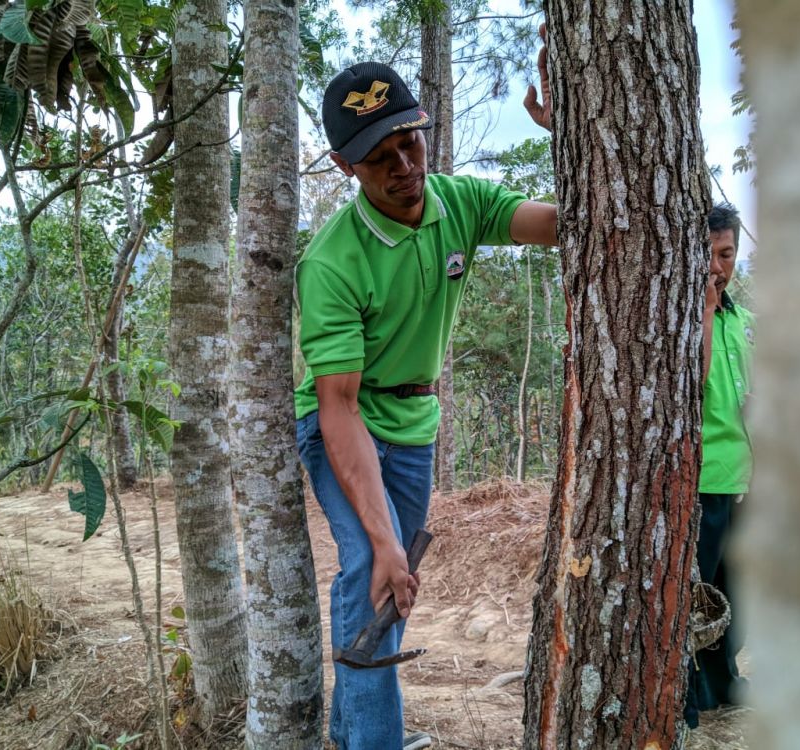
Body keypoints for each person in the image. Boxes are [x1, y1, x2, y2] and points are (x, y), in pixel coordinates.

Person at [294, 37, 556, 750]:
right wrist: (381, 539)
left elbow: (562, 224)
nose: (407, 168)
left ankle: (352, 738)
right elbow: (337, 405)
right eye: (382, 159)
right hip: (343, 423)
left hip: (413, 423)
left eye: (411, 143)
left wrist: (568, 137)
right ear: (346, 166)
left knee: (391, 587)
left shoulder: (459, 203)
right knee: (374, 574)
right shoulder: (332, 264)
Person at [685, 202, 754, 728]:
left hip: (744, 481)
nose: (718, 265)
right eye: (710, 254)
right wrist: (704, 311)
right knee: (697, 595)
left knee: (734, 591)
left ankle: (725, 681)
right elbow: (693, 383)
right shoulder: (689, 318)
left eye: (727, 253)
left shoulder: (745, 322)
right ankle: (688, 698)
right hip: (702, 479)